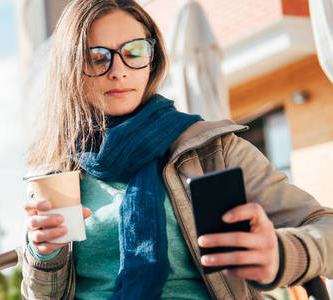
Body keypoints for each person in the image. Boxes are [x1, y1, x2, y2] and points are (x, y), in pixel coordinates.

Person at [20, 0, 333, 299]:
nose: (119, 70)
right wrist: (44, 254)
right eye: (98, 57)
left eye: (134, 51)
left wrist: (281, 253)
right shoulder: (57, 171)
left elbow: (326, 227)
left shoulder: (212, 150)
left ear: (152, 58)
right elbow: (42, 296)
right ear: (70, 67)